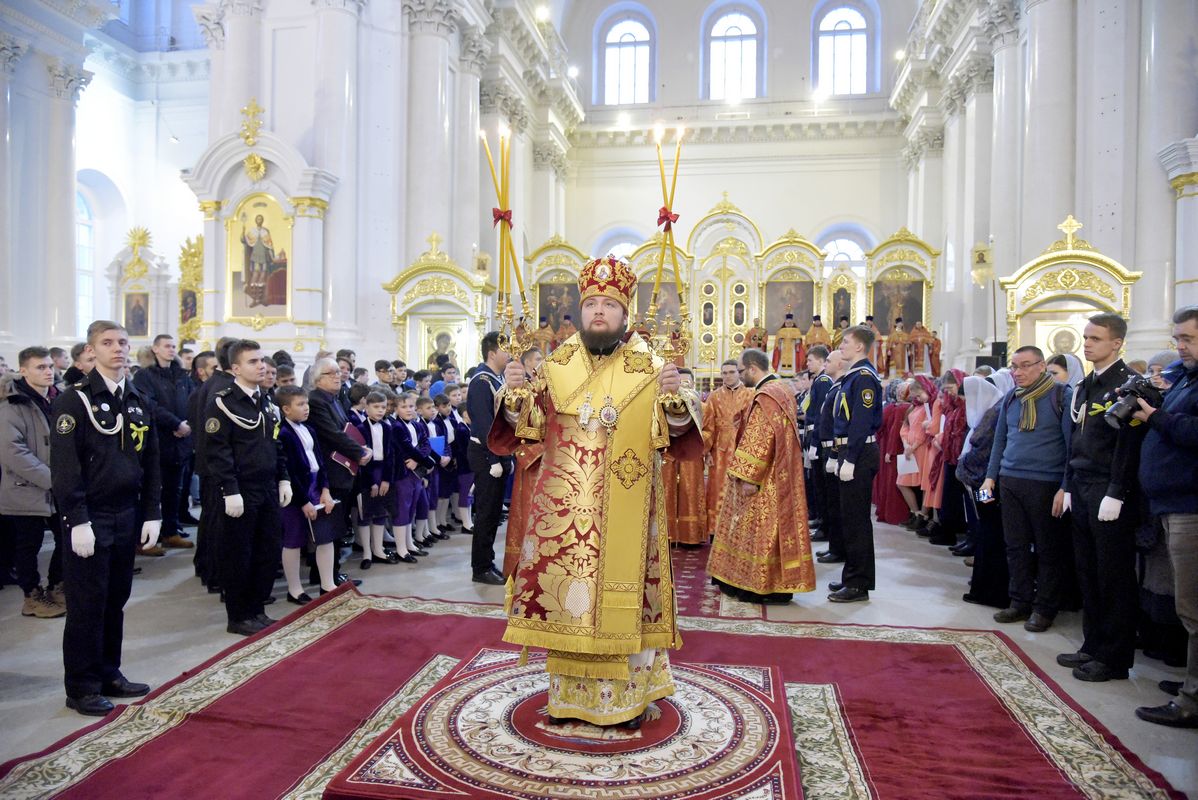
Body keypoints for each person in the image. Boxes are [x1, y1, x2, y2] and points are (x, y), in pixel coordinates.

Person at [490, 255, 701, 729]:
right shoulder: (555, 365)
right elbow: (525, 430)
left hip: (629, 511)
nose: (599, 312)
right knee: (567, 601)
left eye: (609, 304)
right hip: (565, 514)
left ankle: (627, 702)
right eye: (592, 304)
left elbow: (678, 434)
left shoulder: (650, 366)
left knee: (624, 606)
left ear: (625, 313)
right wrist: (512, 399)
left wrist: (675, 401)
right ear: (580, 312)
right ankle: (569, 700)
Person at [51, 320, 162, 716]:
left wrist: (152, 512)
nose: (118, 349)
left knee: (116, 598)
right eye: (108, 343)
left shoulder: (135, 399)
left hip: (125, 513)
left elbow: (150, 461)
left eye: (123, 342)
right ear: (91, 350)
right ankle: (81, 685)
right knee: (87, 603)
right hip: (91, 516)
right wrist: (76, 518)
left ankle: (109, 671)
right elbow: (65, 467)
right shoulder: (74, 400)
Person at [1056, 313, 1144, 683]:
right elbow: (1076, 440)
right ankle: (1093, 644)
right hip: (1083, 484)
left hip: (1109, 490)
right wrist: (1068, 484)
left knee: (1113, 575)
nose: (1087, 343)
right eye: (1086, 337)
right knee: (1088, 571)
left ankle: (1114, 656)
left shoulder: (1129, 386)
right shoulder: (1085, 384)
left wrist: (1116, 491)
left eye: (1095, 338)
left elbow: (1128, 445)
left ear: (1116, 343)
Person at [708, 348, 815, 604]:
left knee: (759, 530)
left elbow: (760, 437)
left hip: (765, 477)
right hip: (782, 471)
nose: (741, 376)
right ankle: (778, 584)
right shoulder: (783, 389)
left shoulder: (766, 395)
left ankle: (758, 586)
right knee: (775, 530)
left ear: (753, 368)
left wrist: (746, 476)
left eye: (742, 371)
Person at [1134, 306, 1198, 729]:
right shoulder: (1186, 377)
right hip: (1172, 504)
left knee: (1193, 610)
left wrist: (1155, 416)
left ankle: (1192, 700)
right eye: (1177, 339)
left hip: (1191, 506)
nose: (1179, 347)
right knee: (1187, 607)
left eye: (1187, 340)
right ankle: (1193, 686)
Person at [981, 346, 1073, 633]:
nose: (1018, 372)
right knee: (1016, 545)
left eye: (1025, 366)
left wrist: (1065, 487)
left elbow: (1072, 447)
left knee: (1047, 549)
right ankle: (1019, 601)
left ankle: (1044, 608)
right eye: (1014, 367)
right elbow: (1000, 440)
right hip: (1010, 480)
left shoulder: (1061, 395)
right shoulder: (1012, 397)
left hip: (1046, 483)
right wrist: (990, 477)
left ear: (1042, 365)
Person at [203, 340, 289, 636]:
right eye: (253, 361)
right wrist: (230, 490)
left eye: (261, 360)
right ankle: (238, 615)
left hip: (266, 487)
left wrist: (284, 477)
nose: (261, 366)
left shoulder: (266, 400)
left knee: (267, 550)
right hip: (240, 489)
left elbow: (275, 444)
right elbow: (217, 451)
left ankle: (256, 609)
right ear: (236, 368)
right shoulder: (223, 401)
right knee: (239, 553)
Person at [0, 347, 65, 618]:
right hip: (25, 488)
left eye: (50, 366)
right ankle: (31, 596)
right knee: (29, 545)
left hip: (59, 486)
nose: (49, 371)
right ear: (23, 370)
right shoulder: (12, 405)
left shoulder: (60, 399)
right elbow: (13, 453)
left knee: (66, 538)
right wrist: (52, 479)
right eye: (40, 367)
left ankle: (57, 587)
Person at [827, 326, 883, 602]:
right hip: (851, 452)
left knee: (857, 521)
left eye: (846, 342)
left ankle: (859, 583)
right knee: (849, 519)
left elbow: (860, 422)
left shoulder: (863, 378)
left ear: (860, 346)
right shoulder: (853, 377)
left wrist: (849, 458)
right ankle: (852, 575)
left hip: (860, 453)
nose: (842, 346)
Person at [308, 357, 371, 587]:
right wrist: (360, 452)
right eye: (331, 373)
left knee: (338, 524)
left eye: (338, 372)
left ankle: (330, 573)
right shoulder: (316, 401)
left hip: (344, 467)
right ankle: (327, 575)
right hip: (331, 469)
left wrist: (360, 449)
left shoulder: (334, 399)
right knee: (331, 526)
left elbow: (347, 430)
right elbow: (332, 434)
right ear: (318, 378)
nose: (337, 376)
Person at [276, 386, 338, 603]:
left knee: (325, 537)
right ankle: (295, 589)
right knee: (294, 540)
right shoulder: (283, 433)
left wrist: (325, 489)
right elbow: (289, 472)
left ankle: (327, 584)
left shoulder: (309, 429)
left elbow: (320, 462)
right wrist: (303, 501)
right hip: (296, 493)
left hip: (316, 488)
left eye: (307, 403)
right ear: (285, 409)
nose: (306, 408)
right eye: (300, 404)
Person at [133, 334, 194, 552]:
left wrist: (188, 424)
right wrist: (175, 424)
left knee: (173, 490)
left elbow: (192, 400)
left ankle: (170, 531)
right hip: (158, 439)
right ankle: (145, 540)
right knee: (151, 491)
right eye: (167, 346)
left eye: (173, 346)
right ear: (155, 349)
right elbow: (148, 404)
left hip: (181, 442)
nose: (171, 350)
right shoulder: (144, 375)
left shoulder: (181, 374)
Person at [957, 375, 1008, 607]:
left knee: (990, 531)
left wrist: (964, 466)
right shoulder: (993, 410)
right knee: (986, 531)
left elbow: (983, 449)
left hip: (986, 485)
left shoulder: (994, 413)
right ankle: (982, 586)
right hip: (982, 482)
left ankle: (989, 589)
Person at [465, 332, 510, 585]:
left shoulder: (496, 378)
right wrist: (494, 458)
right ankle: (480, 567)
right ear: (492, 352)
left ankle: (488, 561)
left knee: (493, 512)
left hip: (497, 451)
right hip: (485, 453)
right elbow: (483, 424)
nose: (509, 354)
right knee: (485, 511)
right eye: (505, 350)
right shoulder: (481, 381)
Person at [502, 348, 546, 577]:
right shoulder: (525, 387)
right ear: (528, 363)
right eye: (538, 359)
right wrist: (513, 393)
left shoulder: (548, 384)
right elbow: (514, 420)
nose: (543, 363)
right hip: (534, 460)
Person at [700, 360, 753, 534]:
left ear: (739, 373)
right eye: (724, 373)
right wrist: (706, 451)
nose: (728, 376)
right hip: (720, 452)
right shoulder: (714, 397)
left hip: (742, 450)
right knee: (717, 489)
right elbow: (708, 426)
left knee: (741, 490)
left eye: (731, 372)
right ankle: (717, 531)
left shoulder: (750, 395)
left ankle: (741, 530)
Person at [355, 391, 399, 569]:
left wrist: (386, 480)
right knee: (365, 515)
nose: (381, 410)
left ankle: (378, 549)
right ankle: (366, 552)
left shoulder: (388, 427)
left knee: (380, 513)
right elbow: (361, 458)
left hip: (383, 473)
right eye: (376, 407)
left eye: (383, 407)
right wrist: (371, 482)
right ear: (367, 407)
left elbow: (390, 455)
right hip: (367, 474)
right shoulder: (360, 428)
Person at [663, 368, 707, 546]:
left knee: (690, 493)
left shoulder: (704, 407)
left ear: (693, 384)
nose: (684, 386)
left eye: (688, 382)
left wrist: (701, 444)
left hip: (692, 457)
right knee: (667, 493)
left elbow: (710, 430)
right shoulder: (663, 403)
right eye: (681, 382)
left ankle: (690, 536)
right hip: (668, 456)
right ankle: (667, 534)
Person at [814, 351, 847, 565]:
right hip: (827, 448)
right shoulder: (835, 387)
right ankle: (834, 546)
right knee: (831, 502)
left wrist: (834, 453)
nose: (825, 363)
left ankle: (838, 548)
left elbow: (840, 424)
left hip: (834, 449)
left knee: (836, 504)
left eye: (828, 360)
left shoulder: (841, 386)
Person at [771, 311, 805, 377]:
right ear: (785, 323)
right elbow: (778, 341)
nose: (789, 324)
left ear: (792, 323)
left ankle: (792, 372)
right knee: (782, 359)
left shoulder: (796, 331)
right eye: (787, 323)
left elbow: (799, 341)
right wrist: (780, 341)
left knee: (792, 360)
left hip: (792, 348)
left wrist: (797, 341)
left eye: (790, 323)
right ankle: (782, 372)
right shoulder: (781, 331)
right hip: (784, 348)